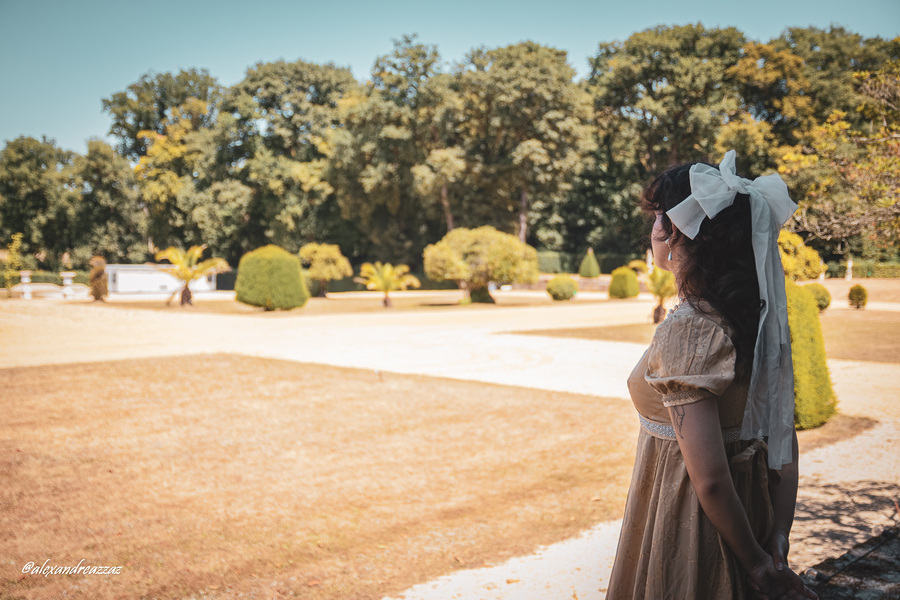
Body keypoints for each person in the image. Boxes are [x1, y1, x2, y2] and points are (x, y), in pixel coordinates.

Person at [604, 151, 818, 600]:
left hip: (697, 527)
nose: (653, 230)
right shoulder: (755, 320)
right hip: (751, 520)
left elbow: (712, 479)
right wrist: (777, 537)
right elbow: (783, 441)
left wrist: (758, 566)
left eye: (657, 217)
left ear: (676, 229)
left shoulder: (691, 329)